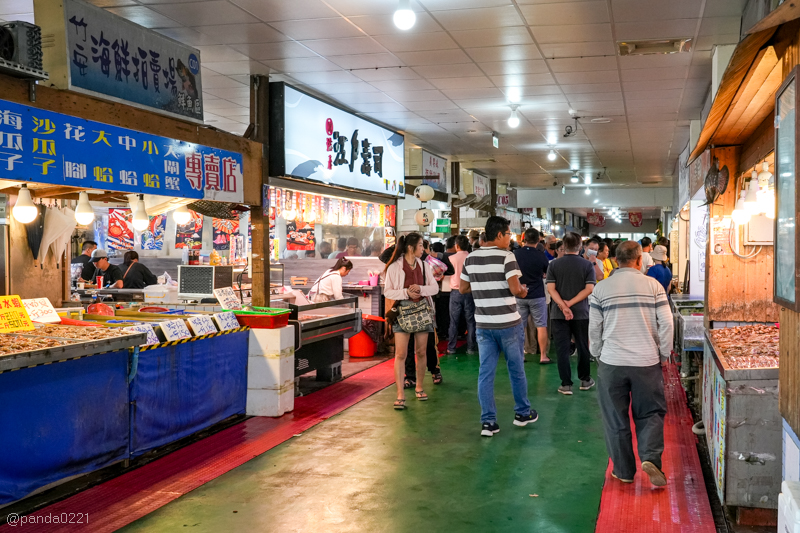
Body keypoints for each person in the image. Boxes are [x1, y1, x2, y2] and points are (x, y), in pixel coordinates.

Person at [589, 241, 673, 487]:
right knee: (651, 413)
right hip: (646, 361)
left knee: (615, 417)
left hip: (612, 362)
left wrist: (598, 353)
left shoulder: (601, 289)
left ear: (615, 260)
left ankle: (624, 471)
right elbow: (667, 323)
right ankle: (650, 459)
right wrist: (664, 354)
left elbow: (594, 328)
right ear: (639, 260)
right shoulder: (654, 286)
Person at [460, 216, 538, 437]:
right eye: (508, 234)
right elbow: (515, 289)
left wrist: (484, 286)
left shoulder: (471, 258)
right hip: (508, 324)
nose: (510, 239)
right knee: (516, 370)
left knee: (486, 373)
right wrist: (523, 290)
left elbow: (463, 288)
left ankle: (488, 422)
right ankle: (522, 413)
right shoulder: (507, 256)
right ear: (499, 235)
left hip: (484, 325)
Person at [384, 233, 439, 410]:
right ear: (411, 247)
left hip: (422, 310)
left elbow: (434, 287)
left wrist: (421, 289)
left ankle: (420, 387)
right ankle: (400, 394)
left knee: (421, 351)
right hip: (402, 311)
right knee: (400, 354)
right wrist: (406, 292)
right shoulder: (394, 267)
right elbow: (388, 292)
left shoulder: (424, 266)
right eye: (421, 246)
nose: (423, 249)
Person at [546, 232, 596, 395]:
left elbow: (551, 289)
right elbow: (589, 289)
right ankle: (585, 379)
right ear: (580, 247)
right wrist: (571, 304)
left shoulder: (554, 265)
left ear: (564, 247)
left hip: (558, 314)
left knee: (562, 348)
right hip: (581, 313)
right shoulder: (587, 265)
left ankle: (566, 384)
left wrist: (562, 305)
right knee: (582, 346)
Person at [514, 228, 551, 363]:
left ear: (524, 239)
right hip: (537, 295)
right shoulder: (541, 255)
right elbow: (547, 273)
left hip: (519, 295)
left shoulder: (515, 254)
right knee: (541, 325)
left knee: (520, 326)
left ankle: (521, 355)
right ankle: (543, 356)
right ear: (538, 240)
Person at [448, 235, 477, 355]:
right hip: (470, 291)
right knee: (470, 321)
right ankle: (470, 347)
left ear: (457, 246)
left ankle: (451, 348)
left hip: (455, 292)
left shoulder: (451, 258)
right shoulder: (472, 258)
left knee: (453, 321)